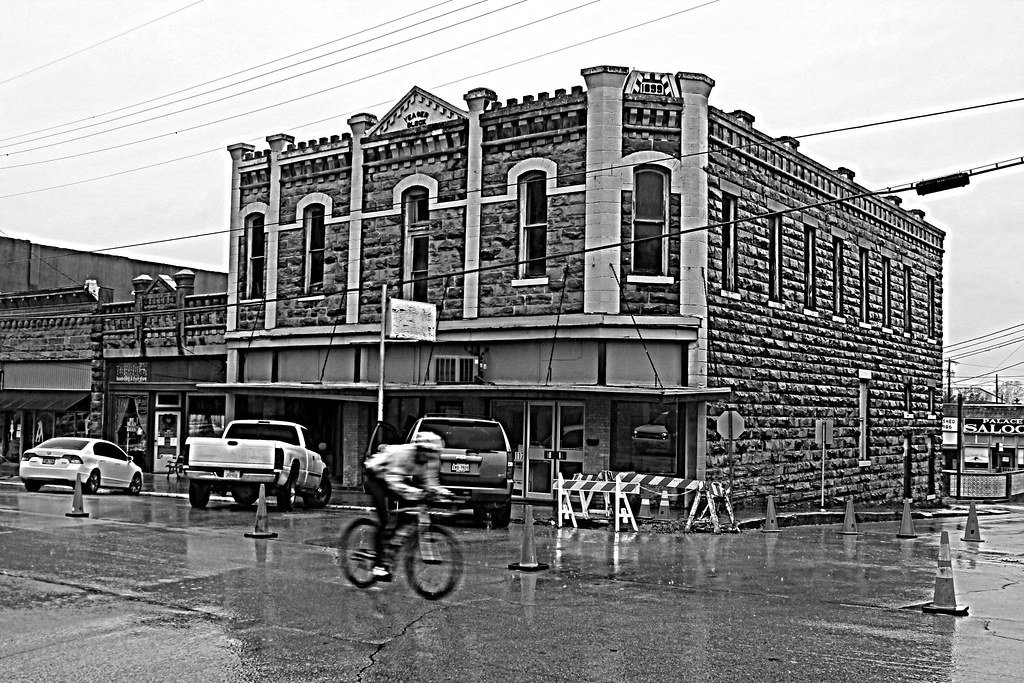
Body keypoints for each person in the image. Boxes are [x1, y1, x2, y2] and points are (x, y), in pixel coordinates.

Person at [363, 431, 451, 581]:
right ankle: (378, 566)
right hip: (377, 475)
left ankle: (393, 541)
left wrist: (445, 494)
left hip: (396, 477)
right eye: (426, 453)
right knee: (384, 520)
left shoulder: (428, 462)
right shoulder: (403, 454)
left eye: (432, 455)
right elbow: (393, 482)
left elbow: (430, 484)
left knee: (410, 513)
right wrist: (416, 493)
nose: (427, 458)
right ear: (419, 449)